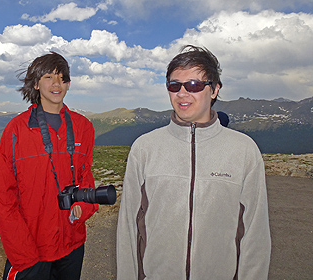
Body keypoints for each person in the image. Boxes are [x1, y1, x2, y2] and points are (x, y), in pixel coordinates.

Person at [116, 45, 271, 279]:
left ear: (215, 89)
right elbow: (127, 228)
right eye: (174, 85)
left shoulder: (244, 150)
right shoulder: (144, 148)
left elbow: (255, 234)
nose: (182, 93)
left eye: (194, 85)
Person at [0, 52, 98, 280]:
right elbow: (4, 196)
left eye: (62, 77)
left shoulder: (84, 127)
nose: (57, 83)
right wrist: (22, 252)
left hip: (71, 243)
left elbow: (85, 177)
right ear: (36, 83)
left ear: (69, 84)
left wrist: (84, 207)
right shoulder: (16, 130)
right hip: (31, 248)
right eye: (49, 76)